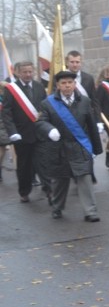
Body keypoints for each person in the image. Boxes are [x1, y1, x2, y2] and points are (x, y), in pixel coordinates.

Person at [39, 70, 103, 221]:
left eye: (70, 82)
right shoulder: (47, 104)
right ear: (58, 86)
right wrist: (50, 130)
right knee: (60, 181)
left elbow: (90, 125)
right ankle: (57, 207)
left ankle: (91, 212)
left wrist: (95, 147)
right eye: (63, 83)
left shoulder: (85, 101)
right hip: (59, 149)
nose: (67, 86)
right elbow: (41, 122)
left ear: (75, 84)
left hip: (80, 147)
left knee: (85, 178)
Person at [2, 61, 48, 202]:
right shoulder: (11, 89)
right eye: (25, 72)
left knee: (43, 162)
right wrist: (12, 132)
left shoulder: (39, 87)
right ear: (17, 72)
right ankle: (24, 191)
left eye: (30, 71)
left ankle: (49, 189)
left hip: (39, 132)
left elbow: (45, 108)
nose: (28, 74)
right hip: (21, 134)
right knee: (24, 165)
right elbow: (7, 113)